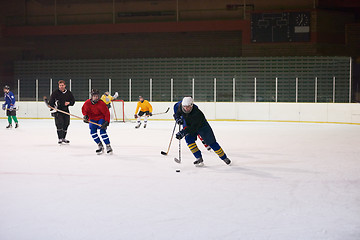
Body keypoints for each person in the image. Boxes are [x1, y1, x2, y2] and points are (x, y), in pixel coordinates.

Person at [173, 97, 231, 167]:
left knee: (211, 143)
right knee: (189, 140)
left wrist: (183, 132)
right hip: (189, 124)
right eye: (184, 107)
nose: (186, 109)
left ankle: (224, 157)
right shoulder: (179, 105)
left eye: (188, 107)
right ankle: (198, 158)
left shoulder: (197, 113)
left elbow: (193, 128)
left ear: (191, 105)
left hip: (202, 127)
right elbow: (176, 111)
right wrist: (177, 118)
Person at [82, 89, 112, 155]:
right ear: (91, 96)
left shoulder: (101, 103)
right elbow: (84, 109)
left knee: (102, 131)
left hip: (101, 118)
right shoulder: (87, 103)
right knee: (93, 132)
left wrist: (107, 121)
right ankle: (100, 145)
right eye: (94, 96)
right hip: (92, 118)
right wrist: (85, 116)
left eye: (97, 96)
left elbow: (107, 113)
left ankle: (108, 146)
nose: (96, 97)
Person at [49, 80, 75, 144]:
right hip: (58, 111)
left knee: (66, 124)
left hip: (66, 111)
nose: (61, 86)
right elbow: (51, 102)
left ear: (65, 85)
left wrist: (69, 103)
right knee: (59, 124)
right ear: (59, 86)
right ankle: (60, 138)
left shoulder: (69, 93)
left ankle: (63, 138)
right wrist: (52, 107)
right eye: (60, 85)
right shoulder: (55, 92)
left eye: (62, 85)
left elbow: (73, 101)